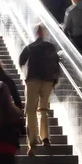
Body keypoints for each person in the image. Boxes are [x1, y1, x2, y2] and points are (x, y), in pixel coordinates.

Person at [19, 25, 60, 153]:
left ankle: (32, 140)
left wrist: (25, 73)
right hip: (48, 81)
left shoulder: (30, 47)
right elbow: (56, 63)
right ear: (44, 33)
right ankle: (45, 137)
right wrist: (54, 80)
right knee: (43, 109)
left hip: (33, 80)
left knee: (30, 110)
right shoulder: (51, 47)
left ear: (36, 33)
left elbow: (21, 60)